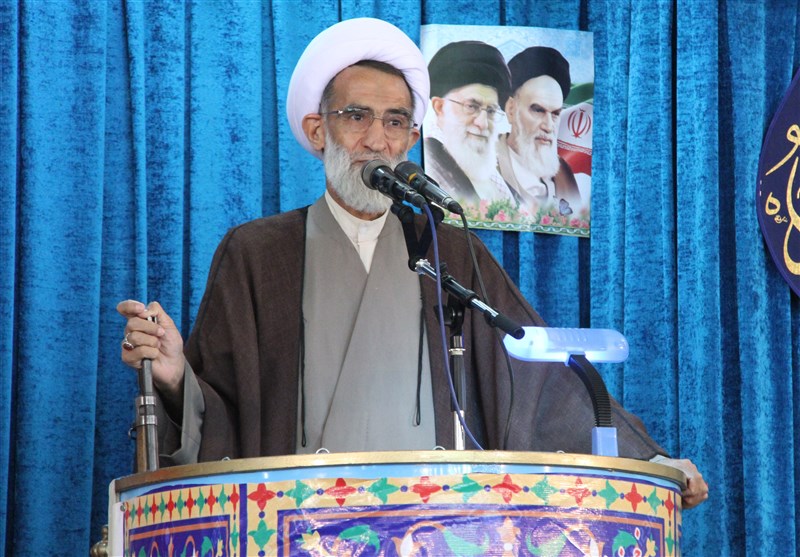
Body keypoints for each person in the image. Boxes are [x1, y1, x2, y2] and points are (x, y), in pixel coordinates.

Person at [117, 18, 708, 509]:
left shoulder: (449, 249)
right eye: (357, 116)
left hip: (435, 524)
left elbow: (540, 381)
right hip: (298, 524)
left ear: (411, 138)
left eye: (396, 121)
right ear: (318, 131)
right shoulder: (257, 253)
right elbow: (225, 415)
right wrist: (175, 376)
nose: (378, 139)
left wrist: (649, 462)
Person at [424, 41, 516, 207]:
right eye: (471, 106)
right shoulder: (428, 162)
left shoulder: (497, 179)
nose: (483, 123)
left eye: (491, 111)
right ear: (440, 107)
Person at [497, 46, 582, 215]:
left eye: (555, 114)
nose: (548, 126)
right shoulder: (487, 165)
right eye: (538, 110)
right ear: (511, 109)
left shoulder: (562, 172)